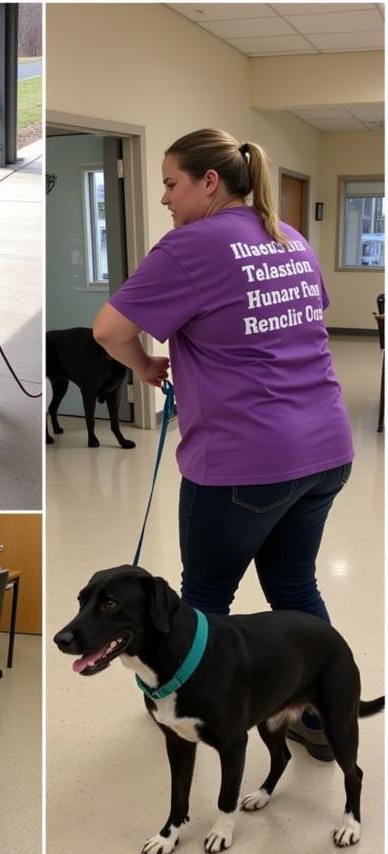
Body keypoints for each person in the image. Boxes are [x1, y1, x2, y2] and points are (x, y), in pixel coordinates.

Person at [92, 128, 354, 760]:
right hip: (325, 448)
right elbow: (299, 320)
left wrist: (145, 365)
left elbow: (107, 329)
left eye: (171, 183)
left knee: (201, 600)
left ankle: (181, 705)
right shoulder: (288, 236)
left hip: (246, 461)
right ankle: (321, 715)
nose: (163, 198)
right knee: (293, 583)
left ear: (210, 183)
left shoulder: (191, 244)